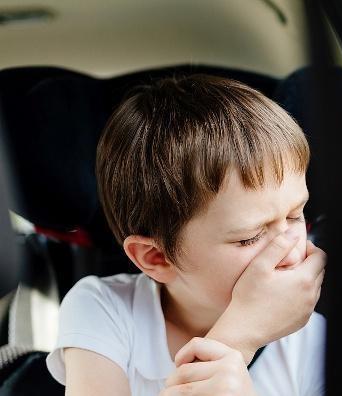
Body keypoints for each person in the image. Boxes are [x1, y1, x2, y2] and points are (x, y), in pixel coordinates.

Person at [45, 75, 327, 396]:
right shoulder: (103, 309)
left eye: (294, 215)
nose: (290, 249)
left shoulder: (312, 343)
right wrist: (236, 340)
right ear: (157, 257)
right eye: (249, 238)